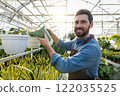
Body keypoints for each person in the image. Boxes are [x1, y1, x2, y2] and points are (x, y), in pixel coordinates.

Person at [37, 9, 101, 80]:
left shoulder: (92, 48)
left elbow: (63, 66)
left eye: (83, 22)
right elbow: (62, 44)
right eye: (76, 22)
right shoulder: (77, 41)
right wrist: (51, 34)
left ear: (91, 25)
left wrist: (47, 46)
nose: (78, 25)